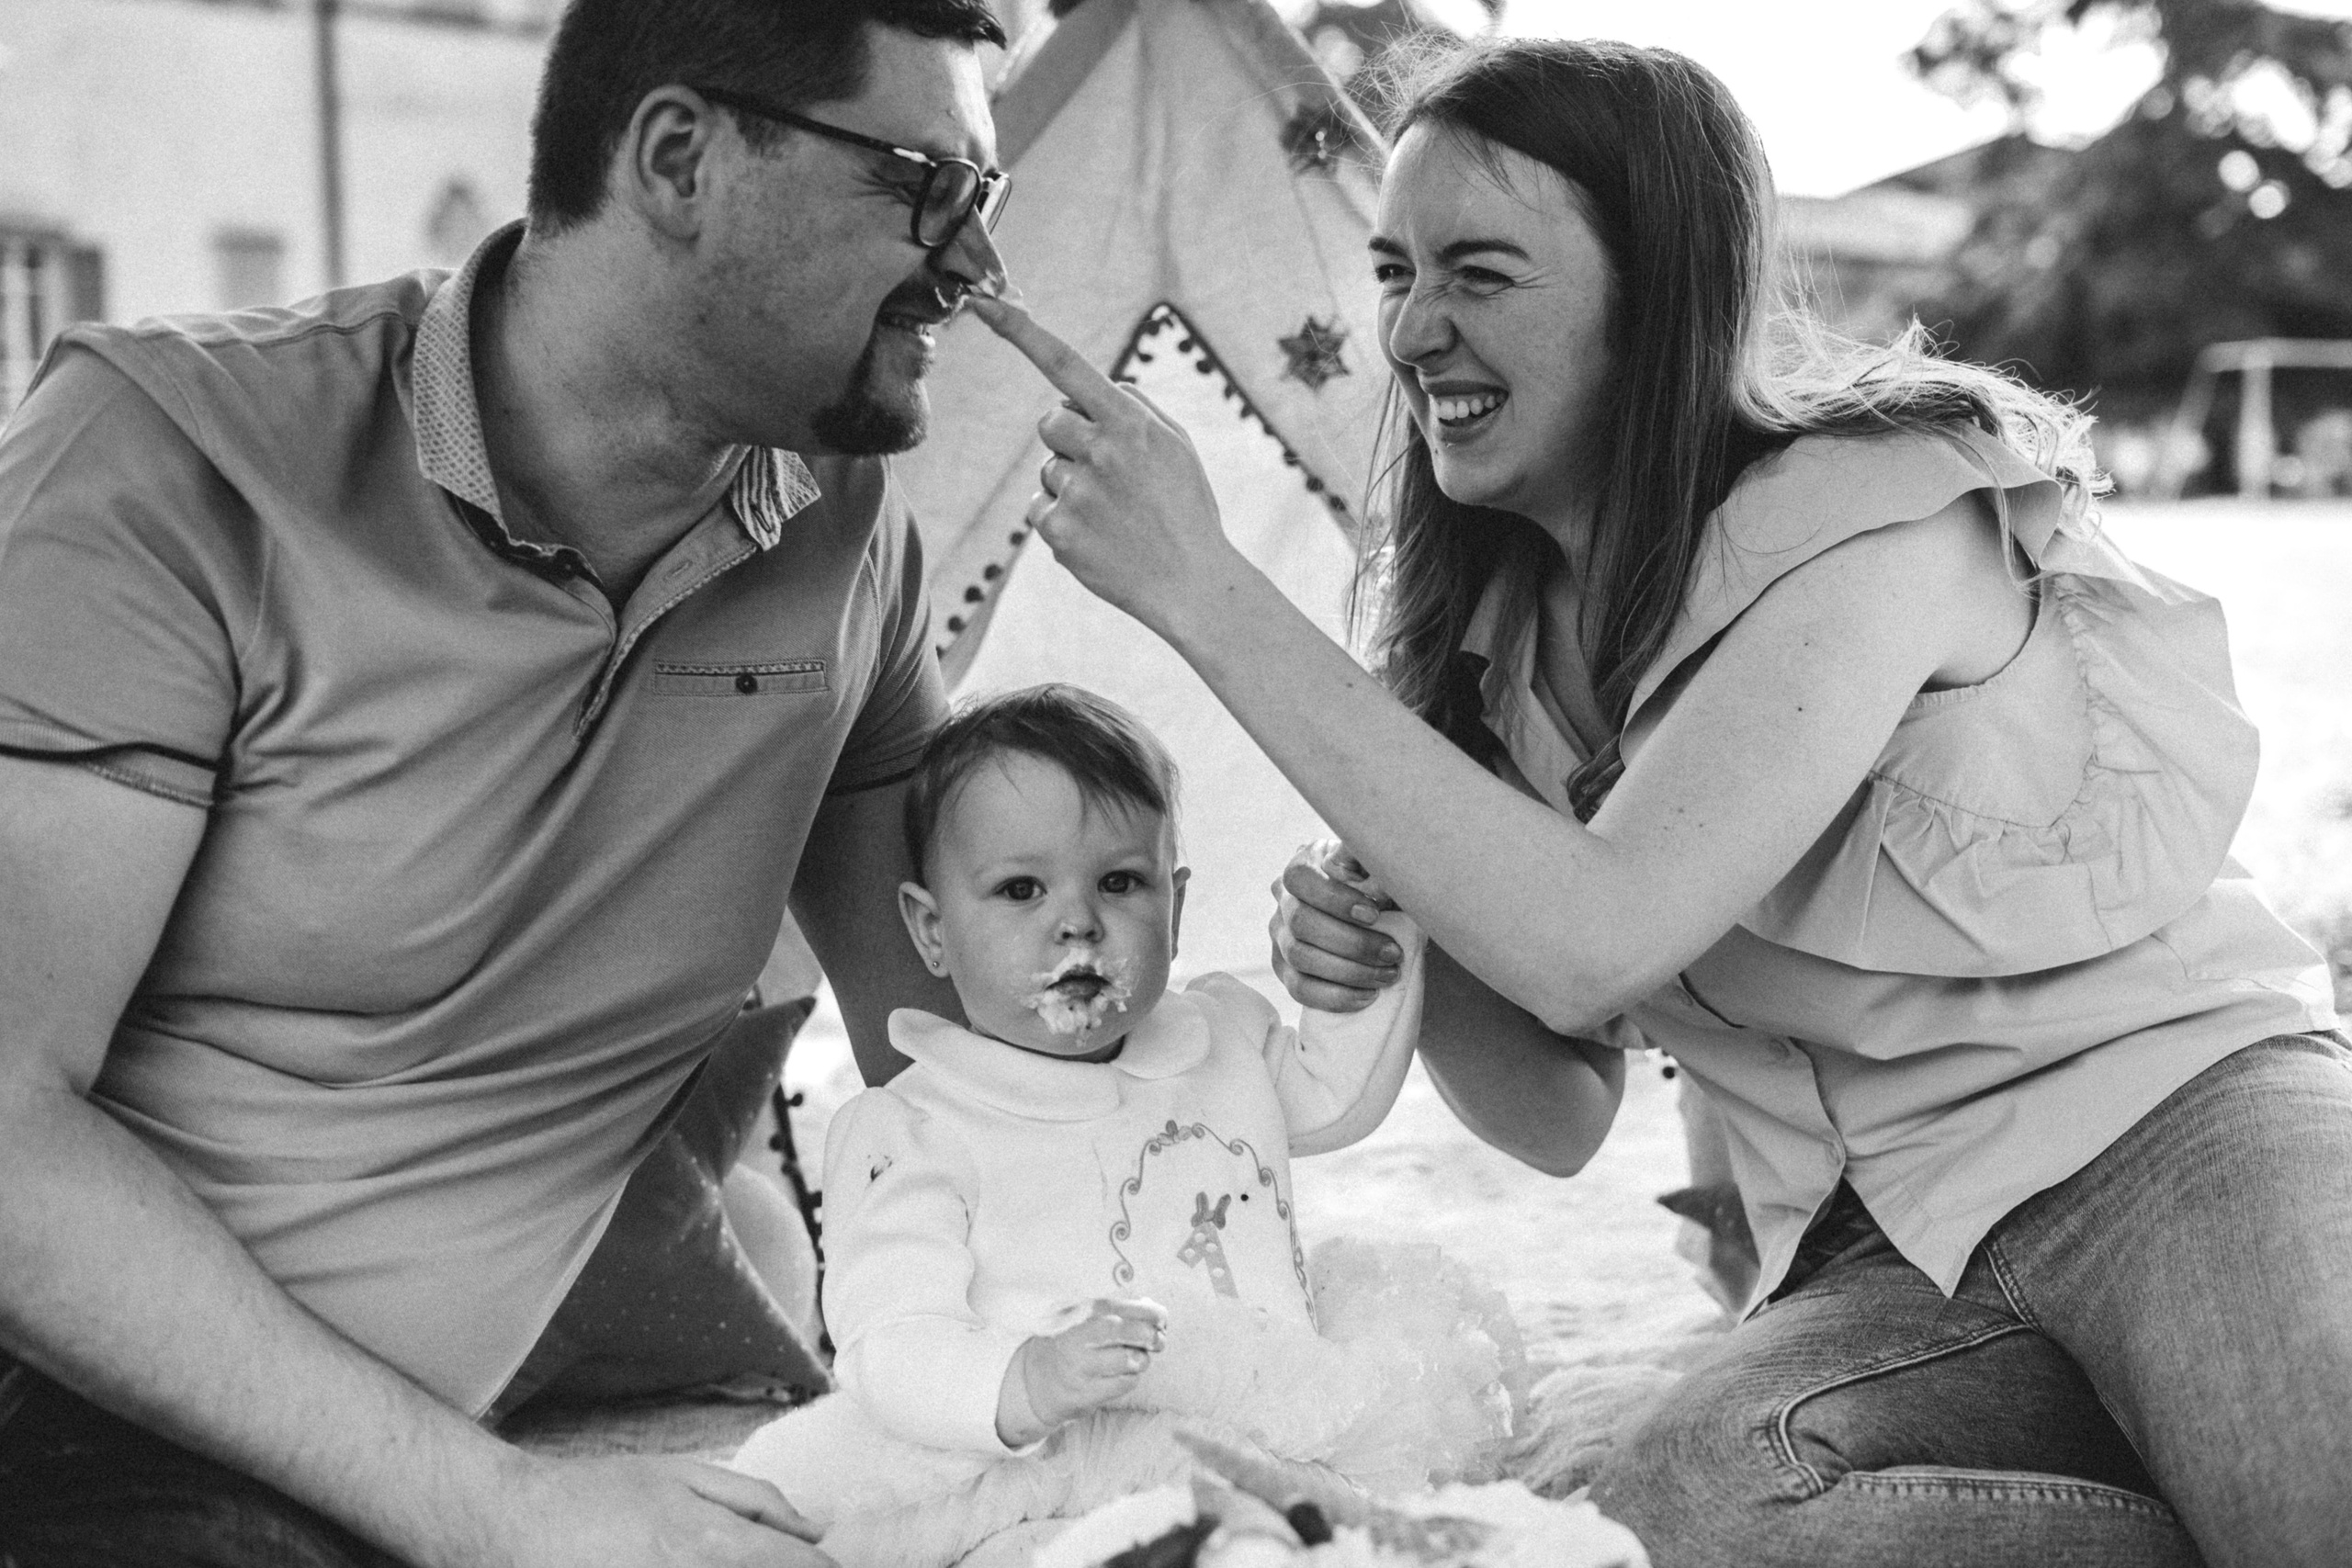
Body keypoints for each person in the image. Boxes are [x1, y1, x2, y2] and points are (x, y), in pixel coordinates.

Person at [966, 33, 2352, 1568]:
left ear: (1657, 294)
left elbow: (1597, 936)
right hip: (1885, 1250)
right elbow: (1559, 1111)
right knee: (1665, 1501)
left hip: (2179, 1127)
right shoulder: (1484, 651)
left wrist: (1205, 590)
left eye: (1479, 273)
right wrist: (1415, 943)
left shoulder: (1878, 509)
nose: (1413, 329)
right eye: (1394, 272)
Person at [0, 2, 1018, 1563]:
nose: (974, 267)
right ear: (681, 158)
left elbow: (974, 1068)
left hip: (498, 1417)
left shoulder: (846, 540)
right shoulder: (166, 456)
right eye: (925, 188)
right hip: (84, 1411)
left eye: (985, 202)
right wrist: (499, 1515)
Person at [729, 686, 1533, 1568]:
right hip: (1042, 1465)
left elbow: (1338, 1096)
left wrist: (1375, 946)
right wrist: (1021, 1380)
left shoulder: (1216, 1035)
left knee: (1331, 1533)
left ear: (1176, 909)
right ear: (931, 929)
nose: (1076, 919)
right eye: (1020, 889)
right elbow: (889, 1338)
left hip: (1254, 1422)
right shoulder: (911, 1130)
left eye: (1119, 881)